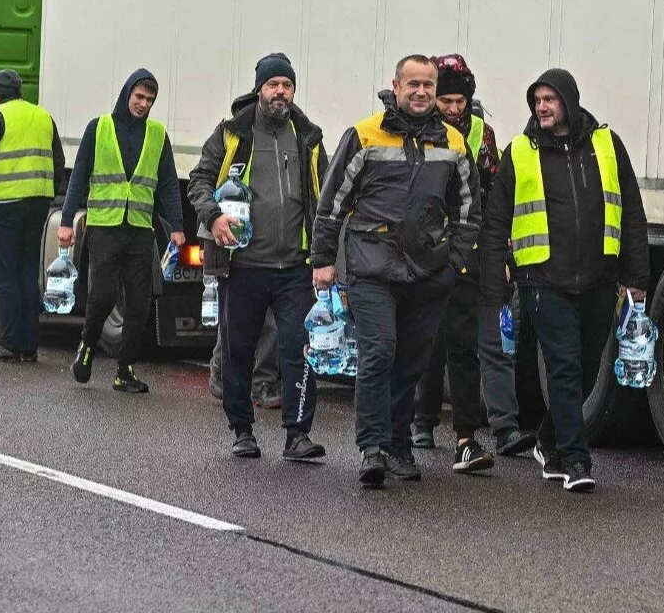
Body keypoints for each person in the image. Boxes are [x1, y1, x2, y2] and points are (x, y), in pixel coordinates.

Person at [479, 68, 650, 493]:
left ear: (569, 102)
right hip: (543, 279)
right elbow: (497, 217)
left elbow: (632, 212)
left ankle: (551, 442)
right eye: (537, 101)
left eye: (549, 100)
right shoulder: (520, 151)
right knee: (564, 365)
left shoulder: (608, 145)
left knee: (589, 367)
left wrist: (637, 276)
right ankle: (576, 459)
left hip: (598, 277)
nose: (542, 107)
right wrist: (496, 267)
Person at [312, 54, 476, 487]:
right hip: (372, 265)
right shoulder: (363, 134)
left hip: (428, 271)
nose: (421, 92)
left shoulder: (454, 142)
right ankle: (372, 448)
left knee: (410, 364)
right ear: (396, 86)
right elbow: (332, 204)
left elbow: (468, 211)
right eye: (413, 84)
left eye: (429, 85)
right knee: (379, 353)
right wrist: (323, 260)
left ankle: (400, 445)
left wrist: (454, 263)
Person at [189, 52, 327, 462]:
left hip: (296, 267)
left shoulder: (308, 136)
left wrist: (325, 253)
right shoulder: (232, 134)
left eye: (287, 85)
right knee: (238, 349)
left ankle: (297, 435)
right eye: (273, 85)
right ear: (260, 89)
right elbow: (199, 180)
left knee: (300, 349)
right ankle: (242, 430)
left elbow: (325, 196)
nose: (280, 92)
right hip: (243, 264)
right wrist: (213, 218)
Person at [411, 54, 526, 472]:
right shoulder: (422, 131)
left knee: (472, 343)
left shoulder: (482, 133)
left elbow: (495, 194)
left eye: (460, 101)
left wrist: (501, 252)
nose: (454, 109)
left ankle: (483, 431)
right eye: (447, 101)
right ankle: (422, 420)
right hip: (429, 249)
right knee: (432, 340)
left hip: (471, 249)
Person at [60, 68, 184, 393]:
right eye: (139, 97)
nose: (143, 104)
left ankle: (125, 370)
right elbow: (78, 176)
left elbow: (169, 184)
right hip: (104, 227)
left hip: (140, 229)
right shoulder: (98, 128)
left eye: (150, 100)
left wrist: (178, 228)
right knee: (102, 297)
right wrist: (65, 221)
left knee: (140, 302)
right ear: (127, 94)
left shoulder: (157, 134)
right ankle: (87, 346)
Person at [0, 68, 63, 364]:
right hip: (38, 203)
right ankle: (28, 345)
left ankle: (8, 342)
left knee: (3, 272)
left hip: (4, 205)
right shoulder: (43, 116)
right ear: (20, 91)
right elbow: (58, 161)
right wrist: (48, 194)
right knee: (26, 271)